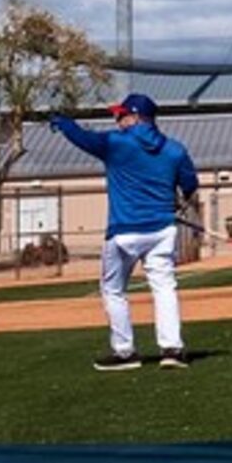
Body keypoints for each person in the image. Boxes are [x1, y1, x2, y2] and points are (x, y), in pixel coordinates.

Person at [50, 91, 200, 371]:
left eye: (120, 115)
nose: (116, 119)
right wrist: (179, 202)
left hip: (124, 231)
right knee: (164, 288)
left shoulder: (116, 143)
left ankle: (125, 353)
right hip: (161, 230)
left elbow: (84, 139)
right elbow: (190, 184)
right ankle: (172, 349)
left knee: (113, 290)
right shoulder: (175, 149)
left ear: (134, 117)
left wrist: (63, 123)